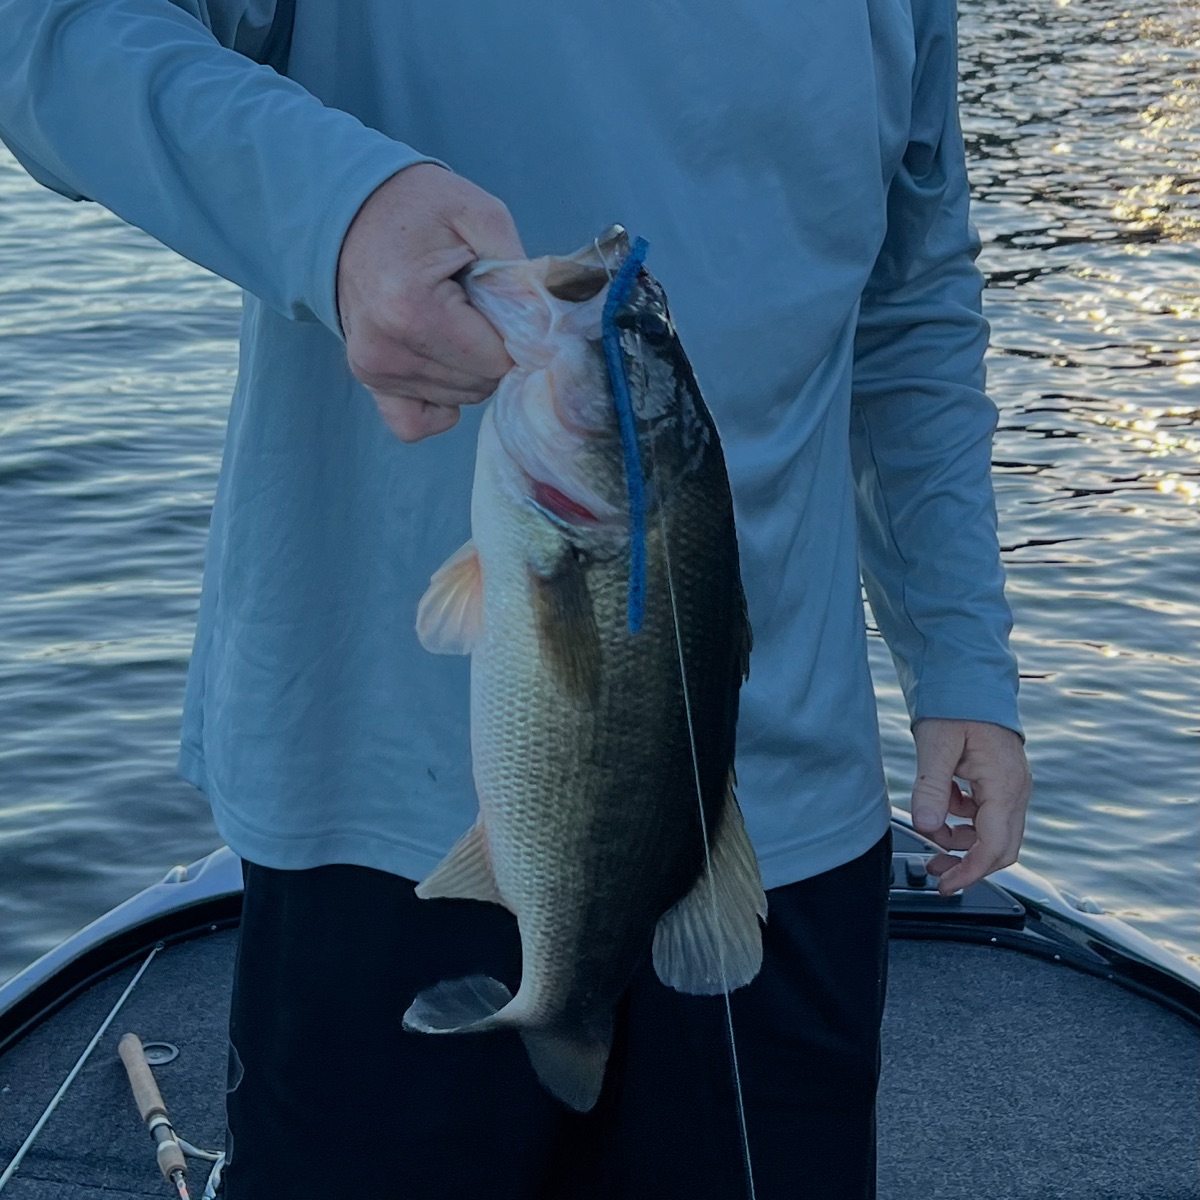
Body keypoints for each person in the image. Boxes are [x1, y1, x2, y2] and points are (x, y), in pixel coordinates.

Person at [0, 1, 1032, 1196]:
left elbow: (910, 309)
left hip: (784, 824)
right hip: (377, 822)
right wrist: (331, 211)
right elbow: (48, 31)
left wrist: (960, 655)